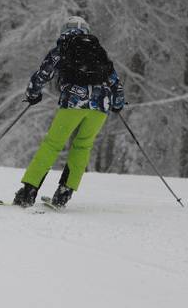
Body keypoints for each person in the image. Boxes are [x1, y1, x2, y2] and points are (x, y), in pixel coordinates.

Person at [13, 16, 125, 208]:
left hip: (74, 103)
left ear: (64, 30)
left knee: (52, 145)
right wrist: (117, 104)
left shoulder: (62, 48)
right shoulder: (98, 51)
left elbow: (43, 74)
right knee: (82, 147)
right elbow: (115, 82)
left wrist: (32, 94)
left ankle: (28, 191)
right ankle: (65, 193)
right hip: (100, 107)